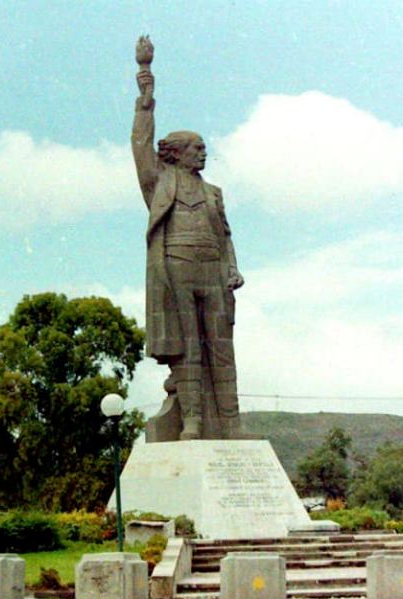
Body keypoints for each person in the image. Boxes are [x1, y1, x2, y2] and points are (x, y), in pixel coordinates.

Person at [132, 36, 246, 441]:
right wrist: (146, 92)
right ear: (177, 153)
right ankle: (193, 420)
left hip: (213, 272)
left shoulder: (214, 192)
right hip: (177, 268)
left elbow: (226, 235)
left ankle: (231, 423)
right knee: (188, 348)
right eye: (197, 148)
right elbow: (140, 144)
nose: (203, 153)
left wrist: (232, 268)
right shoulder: (159, 184)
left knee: (221, 347)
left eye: (204, 148)